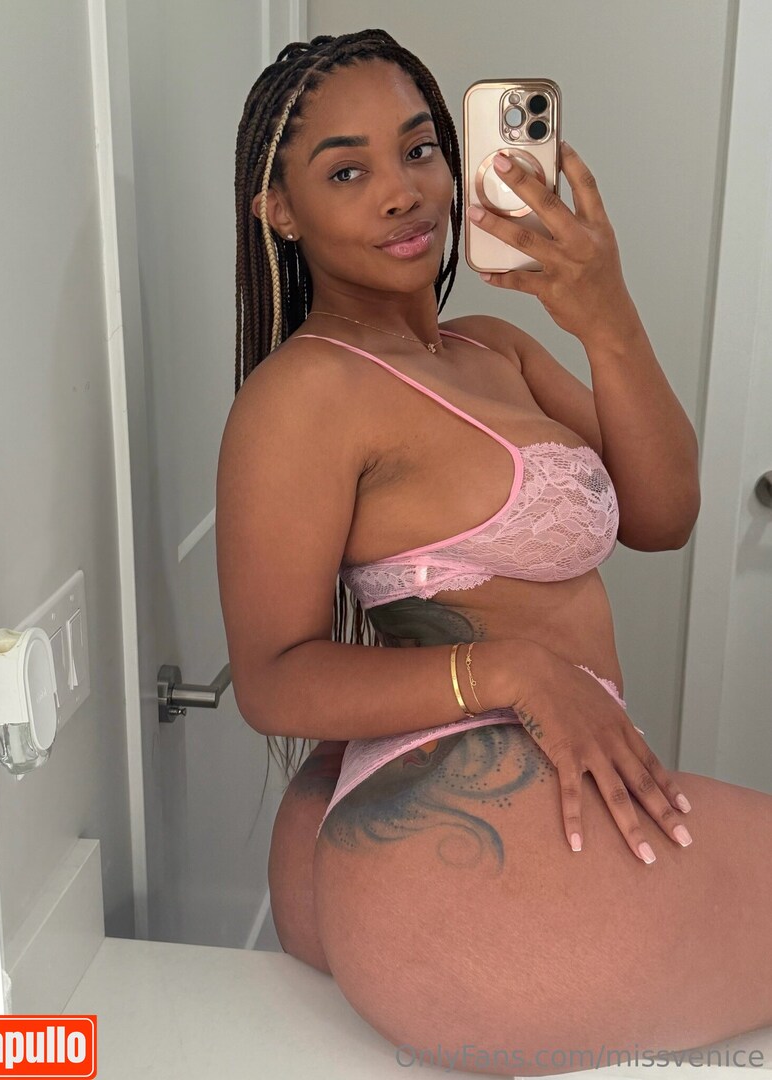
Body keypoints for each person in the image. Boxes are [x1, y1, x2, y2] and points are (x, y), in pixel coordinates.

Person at [216, 29, 772, 1076]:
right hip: (448, 842)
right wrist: (513, 672)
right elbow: (272, 680)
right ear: (279, 210)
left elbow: (664, 513)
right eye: (347, 171)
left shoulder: (492, 345)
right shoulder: (305, 394)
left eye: (419, 150)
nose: (403, 193)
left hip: (478, 829)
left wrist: (607, 319)